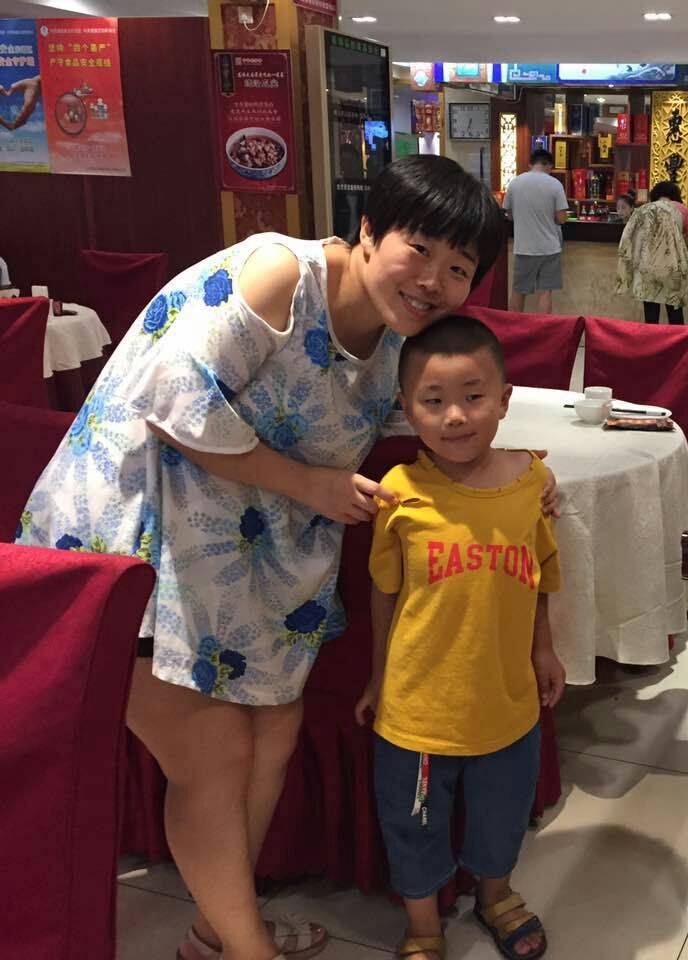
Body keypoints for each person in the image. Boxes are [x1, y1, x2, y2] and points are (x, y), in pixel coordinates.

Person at [13, 155, 560, 960]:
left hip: (236, 557)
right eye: (419, 249)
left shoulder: (397, 338)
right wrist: (310, 484)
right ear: (368, 230)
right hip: (136, 535)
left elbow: (436, 419)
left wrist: (518, 473)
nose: (434, 281)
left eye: (458, 268)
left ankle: (215, 934)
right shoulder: (281, 277)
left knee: (274, 733)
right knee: (214, 757)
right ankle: (249, 952)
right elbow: (172, 400)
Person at [356, 316, 564, 960]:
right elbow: (384, 592)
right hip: (417, 708)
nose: (455, 416)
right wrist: (378, 677)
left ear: (504, 399)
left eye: (473, 397)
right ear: (406, 406)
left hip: (507, 698)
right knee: (410, 822)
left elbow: (539, 575)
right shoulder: (399, 493)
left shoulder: (531, 483)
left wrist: (544, 648)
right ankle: (423, 925)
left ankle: (496, 894)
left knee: (503, 811)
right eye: (434, 400)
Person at [616, 180, 688, 325]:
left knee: (651, 314)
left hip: (648, 266)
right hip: (672, 267)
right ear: (675, 195)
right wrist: (677, 246)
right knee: (675, 313)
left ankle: (652, 340)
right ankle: (678, 339)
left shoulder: (644, 210)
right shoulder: (681, 209)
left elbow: (630, 238)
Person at [503, 149, 569, 313]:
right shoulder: (555, 184)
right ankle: (543, 328)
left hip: (523, 247)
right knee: (545, 293)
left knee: (518, 291)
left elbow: (509, 215)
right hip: (549, 248)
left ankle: (513, 325)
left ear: (530, 164)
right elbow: (561, 218)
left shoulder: (515, 183)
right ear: (548, 165)